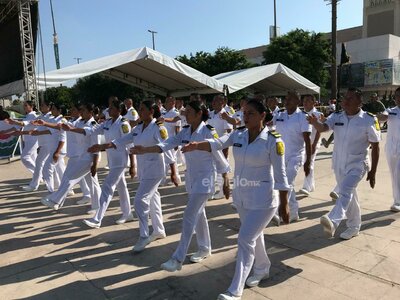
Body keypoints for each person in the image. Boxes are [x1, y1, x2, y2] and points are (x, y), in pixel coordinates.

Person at [183, 99, 290, 300]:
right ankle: (262, 268)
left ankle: (235, 290)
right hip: (242, 197)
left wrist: (284, 205)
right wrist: (197, 144)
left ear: (262, 116)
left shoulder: (273, 140)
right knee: (255, 236)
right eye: (243, 113)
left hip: (264, 200)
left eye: (250, 113)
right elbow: (218, 142)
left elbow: (281, 174)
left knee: (245, 239)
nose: (245, 117)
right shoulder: (238, 134)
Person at [131, 100, 230, 271]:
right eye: (186, 111)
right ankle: (205, 248)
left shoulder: (208, 132)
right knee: (199, 215)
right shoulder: (185, 131)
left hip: (205, 180)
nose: (186, 114)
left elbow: (220, 158)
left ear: (199, 113)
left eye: (190, 111)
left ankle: (177, 259)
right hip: (191, 179)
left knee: (189, 215)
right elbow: (167, 144)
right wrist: (145, 150)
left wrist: (225, 181)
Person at [99, 100, 179, 253]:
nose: (139, 112)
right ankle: (159, 230)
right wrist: (105, 146)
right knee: (154, 199)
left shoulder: (159, 128)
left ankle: (144, 235)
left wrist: (173, 172)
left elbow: (167, 149)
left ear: (151, 111)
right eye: (140, 109)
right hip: (144, 170)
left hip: (155, 170)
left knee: (140, 200)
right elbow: (123, 140)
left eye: (142, 109)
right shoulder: (138, 128)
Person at [308, 88, 380, 240]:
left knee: (345, 190)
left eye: (350, 99)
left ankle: (333, 220)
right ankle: (354, 226)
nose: (345, 101)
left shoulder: (368, 119)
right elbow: (323, 128)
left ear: (360, 103)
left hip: (358, 164)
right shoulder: (337, 116)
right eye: (345, 98)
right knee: (350, 195)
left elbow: (376, 145)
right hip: (339, 164)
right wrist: (316, 123)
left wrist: (373, 171)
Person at [80, 99, 135, 227]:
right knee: (122, 187)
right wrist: (74, 128)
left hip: (121, 160)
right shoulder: (108, 122)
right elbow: (92, 130)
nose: (108, 110)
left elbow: (129, 143)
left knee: (107, 187)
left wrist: (133, 165)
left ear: (119, 110)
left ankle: (97, 219)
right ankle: (127, 213)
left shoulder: (123, 124)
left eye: (111, 108)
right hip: (112, 161)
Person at [38, 103, 101, 213]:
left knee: (70, 178)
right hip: (81, 156)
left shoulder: (93, 124)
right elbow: (62, 126)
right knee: (92, 183)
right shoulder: (80, 122)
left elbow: (86, 131)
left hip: (89, 158)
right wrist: (45, 123)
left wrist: (95, 164)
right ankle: (97, 206)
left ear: (90, 113)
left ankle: (55, 201)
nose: (82, 112)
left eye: (84, 111)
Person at [273, 91, 312, 222]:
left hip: (296, 156)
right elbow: (266, 124)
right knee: (289, 184)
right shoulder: (279, 115)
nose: (287, 101)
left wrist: (308, 162)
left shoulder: (303, 117)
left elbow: (307, 141)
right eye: (286, 98)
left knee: (285, 183)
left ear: (298, 102)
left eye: (290, 99)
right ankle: (294, 212)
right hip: (280, 156)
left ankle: (277, 211)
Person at [377, 86, 400, 212]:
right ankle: (397, 199)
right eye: (397, 96)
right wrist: (379, 116)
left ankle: (398, 201)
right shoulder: (391, 110)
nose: (399, 98)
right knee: (394, 174)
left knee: (398, 173)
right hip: (391, 148)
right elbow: (383, 117)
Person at [208, 94, 233, 199]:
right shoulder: (210, 113)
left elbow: (229, 132)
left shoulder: (225, 115)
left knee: (222, 169)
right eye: (213, 101)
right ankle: (211, 190)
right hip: (210, 145)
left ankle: (223, 191)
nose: (214, 103)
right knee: (211, 169)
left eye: (217, 101)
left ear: (222, 103)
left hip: (221, 146)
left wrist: (225, 148)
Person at [4, 101, 38, 174]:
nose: (24, 107)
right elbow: (16, 127)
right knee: (33, 159)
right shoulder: (27, 116)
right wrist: (4, 132)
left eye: (26, 105)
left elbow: (22, 124)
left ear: (31, 107)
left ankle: (39, 173)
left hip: (33, 140)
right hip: (28, 140)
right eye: (24, 105)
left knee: (24, 157)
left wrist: (13, 121)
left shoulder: (33, 115)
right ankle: (37, 178)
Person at [299, 95, 323, 195]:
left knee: (309, 162)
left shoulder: (318, 114)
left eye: (308, 101)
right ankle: (311, 185)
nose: (305, 103)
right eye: (304, 101)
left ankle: (306, 187)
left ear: (314, 102)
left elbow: (319, 131)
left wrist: (314, 144)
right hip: (303, 143)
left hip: (313, 142)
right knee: (305, 162)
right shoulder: (300, 114)